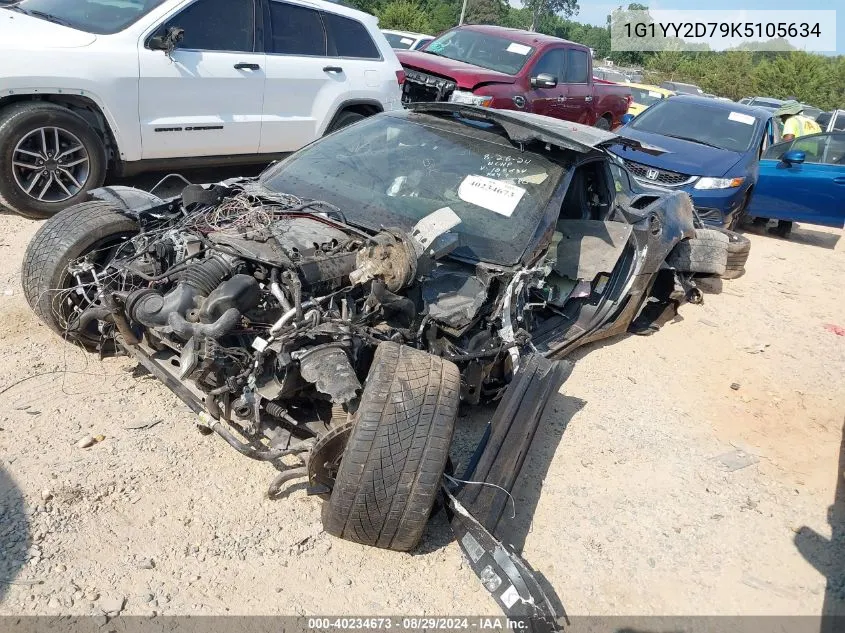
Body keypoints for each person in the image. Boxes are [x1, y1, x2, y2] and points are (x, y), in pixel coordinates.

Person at [767, 101, 823, 237]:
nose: (781, 119)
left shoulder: (791, 121)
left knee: (775, 191)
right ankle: (784, 228)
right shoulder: (814, 123)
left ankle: (761, 221)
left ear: (788, 114)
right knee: (792, 195)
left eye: (782, 116)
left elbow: (788, 141)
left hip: (792, 161)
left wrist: (776, 154)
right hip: (809, 163)